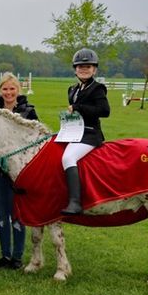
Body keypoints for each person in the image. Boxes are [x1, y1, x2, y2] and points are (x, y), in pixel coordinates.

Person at [0, 72, 38, 269]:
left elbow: (36, 140)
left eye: (12, 88)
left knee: (17, 213)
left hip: (19, 173)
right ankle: (5, 255)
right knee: (2, 213)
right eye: (5, 89)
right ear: (0, 90)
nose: (8, 92)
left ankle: (17, 257)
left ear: (18, 90)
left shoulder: (28, 111)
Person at [61, 49, 110, 215]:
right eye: (80, 66)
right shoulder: (72, 89)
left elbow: (104, 110)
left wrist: (78, 108)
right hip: (74, 132)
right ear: (75, 69)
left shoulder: (97, 88)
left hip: (90, 134)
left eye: (88, 66)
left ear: (94, 69)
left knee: (68, 157)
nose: (84, 69)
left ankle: (76, 202)